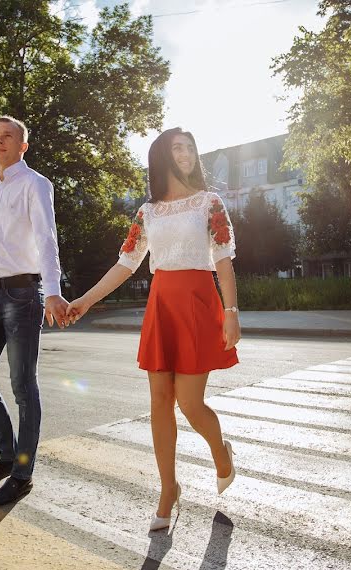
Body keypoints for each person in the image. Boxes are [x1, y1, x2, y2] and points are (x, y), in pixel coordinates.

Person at [66, 127, 242, 531]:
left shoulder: (209, 202)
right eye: (177, 148)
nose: (186, 154)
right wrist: (85, 300)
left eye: (191, 147)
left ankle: (221, 451)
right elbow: (125, 264)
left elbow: (224, 260)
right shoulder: (148, 212)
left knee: (191, 405)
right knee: (160, 402)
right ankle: (168, 489)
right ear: (162, 156)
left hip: (198, 302)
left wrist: (231, 310)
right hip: (161, 304)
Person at [0, 115, 69, 507]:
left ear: (23, 145)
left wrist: (54, 292)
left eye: (8, 136)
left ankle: (22, 474)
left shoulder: (36, 184)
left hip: (24, 293)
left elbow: (46, 239)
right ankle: (7, 455)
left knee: (23, 387)